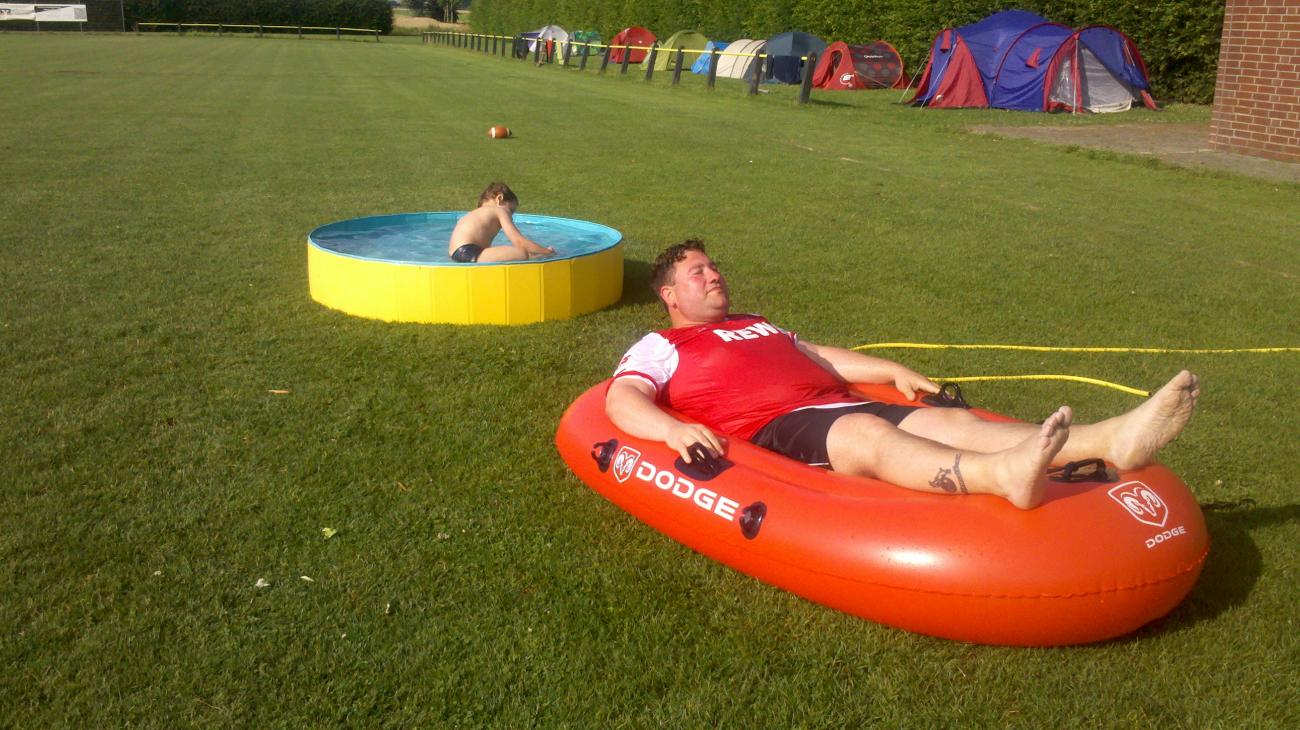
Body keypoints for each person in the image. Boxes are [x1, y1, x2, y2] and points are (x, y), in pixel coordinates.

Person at [605, 240, 1200, 510]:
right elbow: (622, 397)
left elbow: (818, 356)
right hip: (779, 424)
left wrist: (893, 369)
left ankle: (1110, 439)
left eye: (714, 267)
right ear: (669, 295)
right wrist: (671, 431)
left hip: (835, 400)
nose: (714, 276)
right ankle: (1000, 476)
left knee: (956, 423)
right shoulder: (664, 344)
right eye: (698, 273)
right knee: (867, 436)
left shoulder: (755, 323)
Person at [448, 182, 556, 263]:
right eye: (511, 210)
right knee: (521, 253)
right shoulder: (500, 210)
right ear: (499, 199)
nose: (511, 216)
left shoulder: (474, 214)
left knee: (509, 253)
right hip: (468, 252)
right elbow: (519, 241)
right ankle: (540, 255)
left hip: (457, 254)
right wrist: (546, 252)